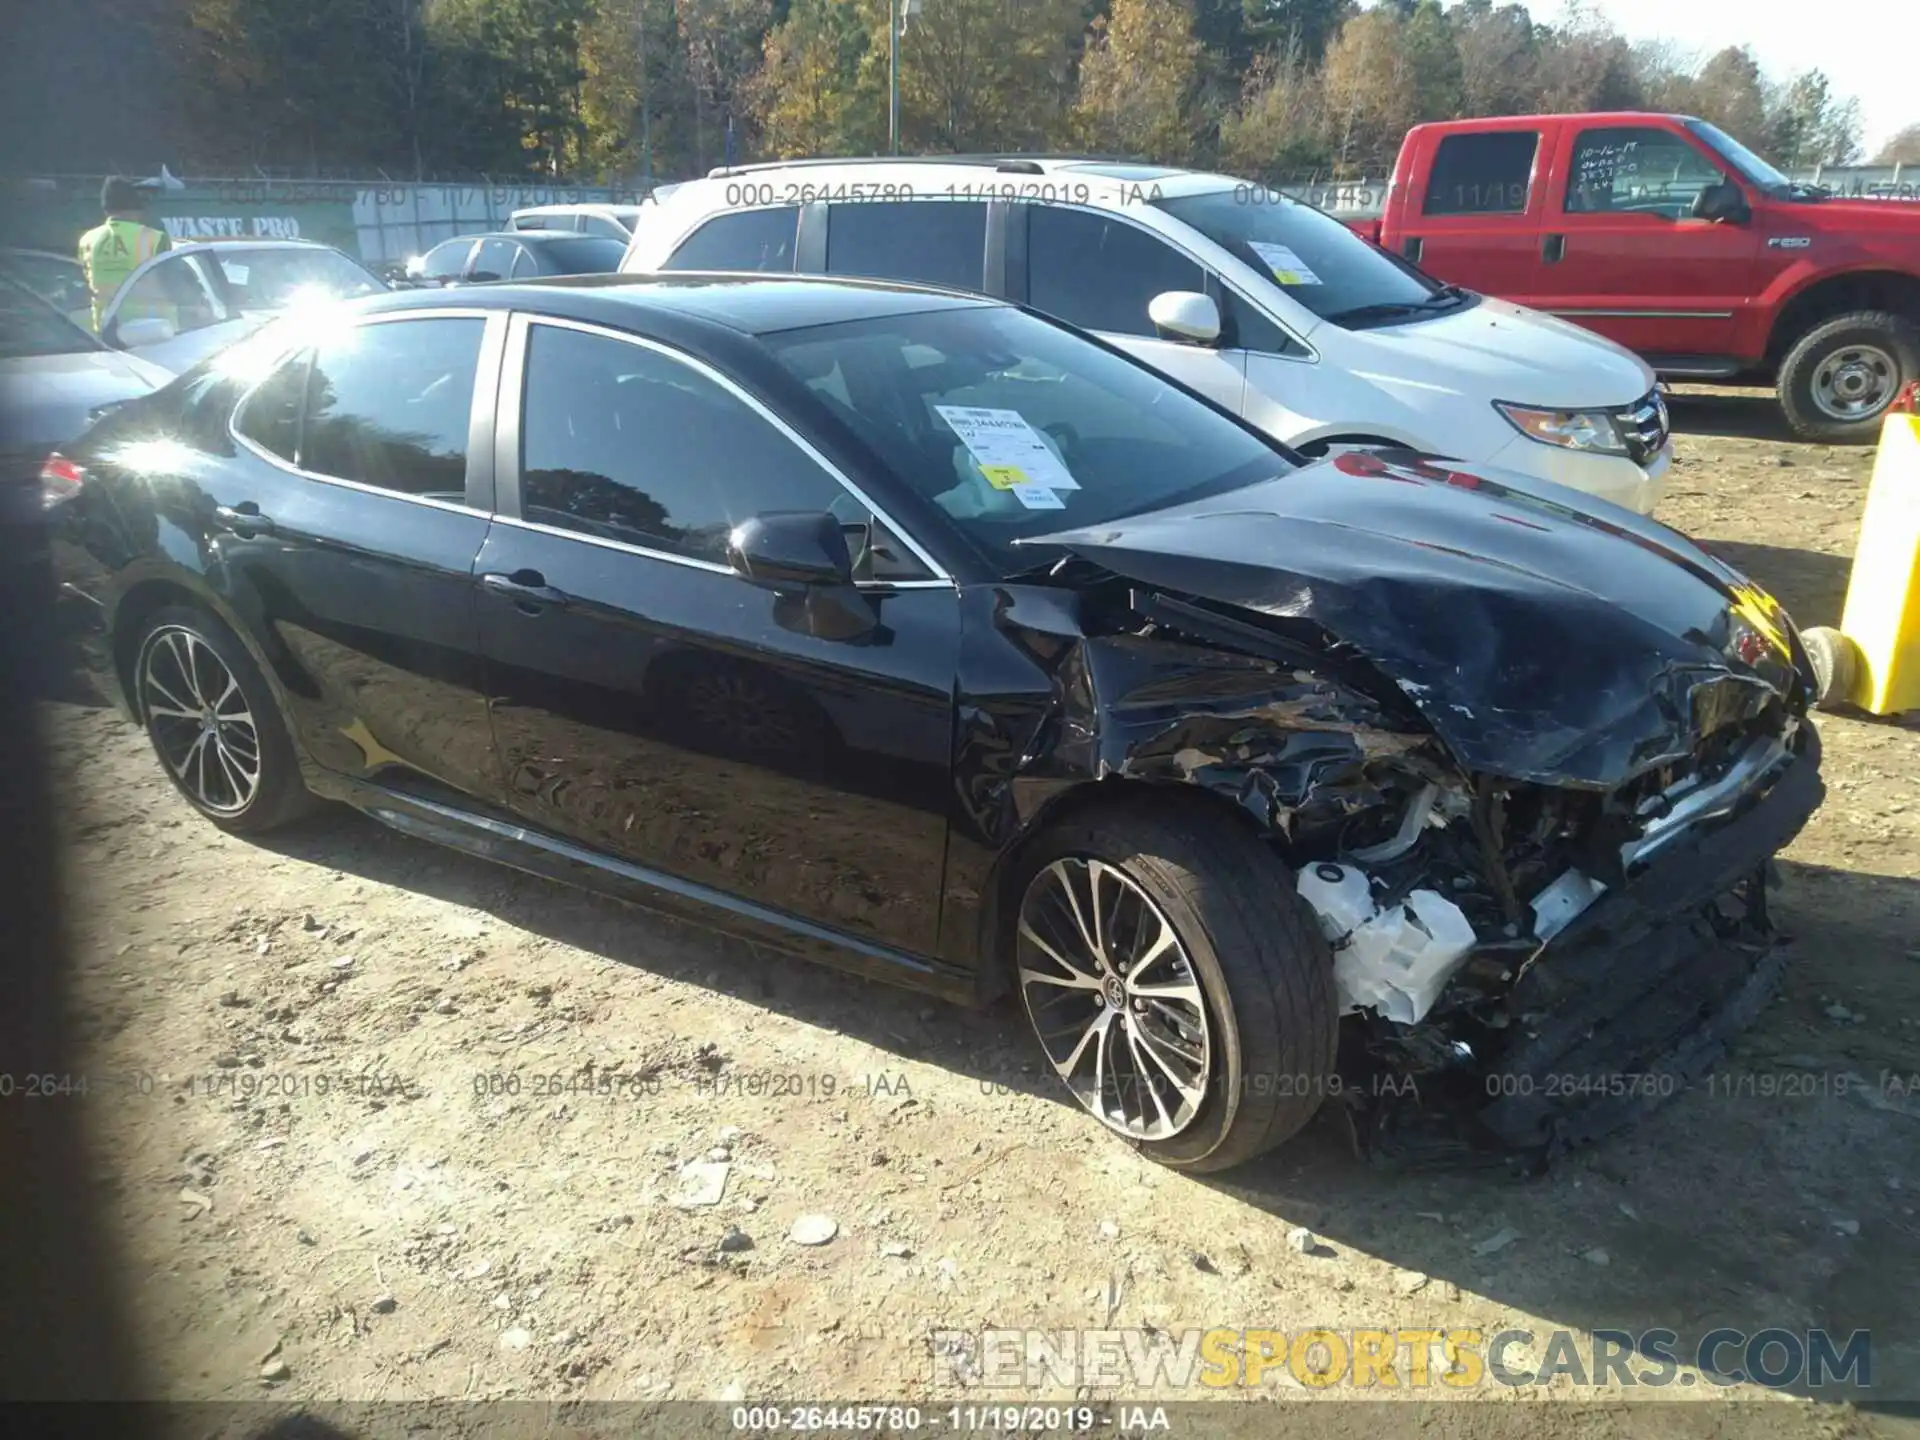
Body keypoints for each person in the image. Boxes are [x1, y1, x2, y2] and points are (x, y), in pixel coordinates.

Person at [77, 177, 171, 330]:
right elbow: (174, 282)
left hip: (105, 327)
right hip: (153, 327)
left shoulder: (87, 239)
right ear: (136, 208)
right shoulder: (155, 238)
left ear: (106, 209)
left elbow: (86, 279)